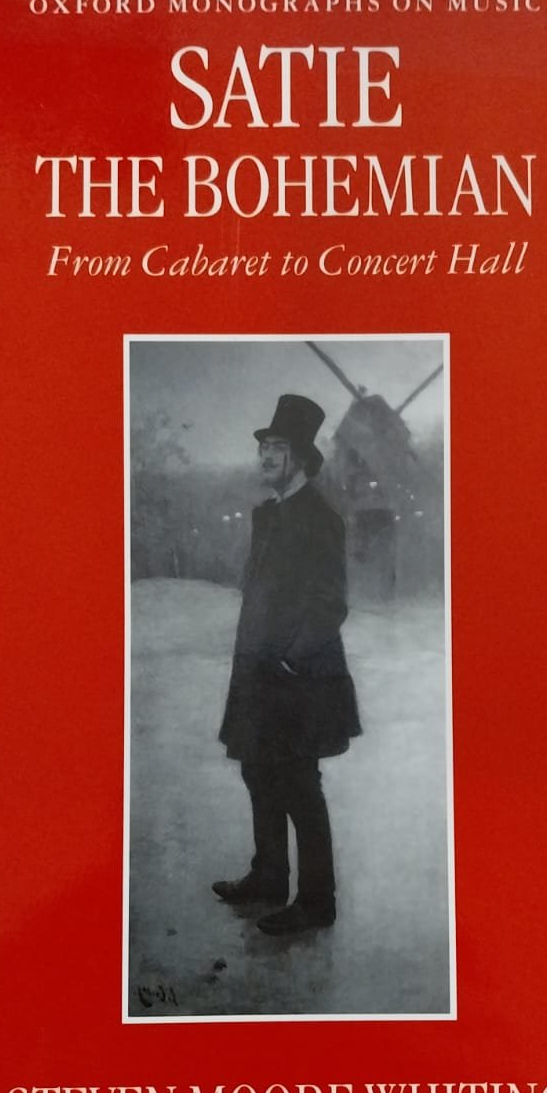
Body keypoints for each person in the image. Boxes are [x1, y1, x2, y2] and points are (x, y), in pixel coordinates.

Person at [213, 394, 360, 935]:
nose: (266, 456)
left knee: (299, 785)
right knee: (257, 771)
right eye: (263, 447)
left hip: (301, 679)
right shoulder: (268, 515)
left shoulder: (321, 519)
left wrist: (292, 661)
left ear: (300, 457)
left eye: (277, 447)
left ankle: (317, 902)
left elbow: (329, 604)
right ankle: (269, 877)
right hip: (257, 676)